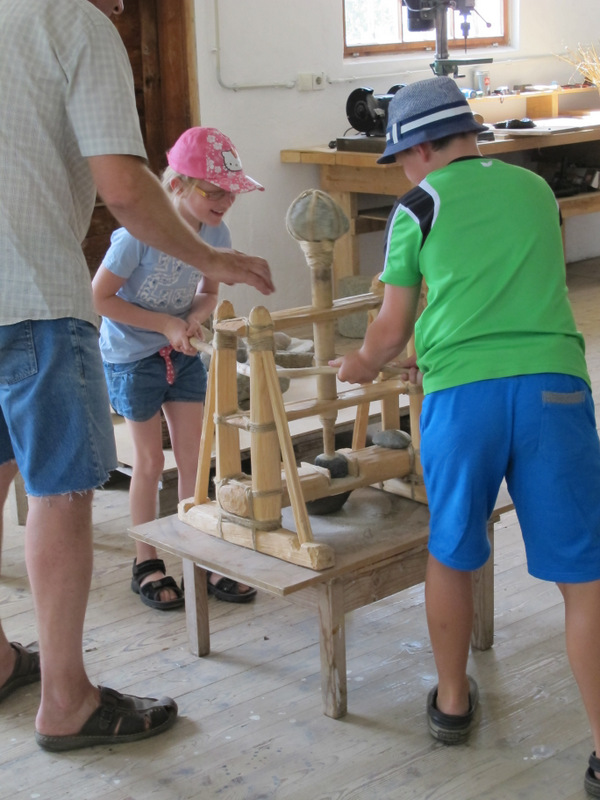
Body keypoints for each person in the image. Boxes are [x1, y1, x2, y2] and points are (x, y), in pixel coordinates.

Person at [0, 0, 273, 752]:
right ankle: (67, 701)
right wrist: (212, 259)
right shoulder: (73, 24)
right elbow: (123, 185)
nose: (121, 5)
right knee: (62, 490)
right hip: (33, 296)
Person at [331, 77, 600, 796]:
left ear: (420, 148)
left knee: (451, 550)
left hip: (462, 399)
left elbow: (391, 327)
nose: (403, 171)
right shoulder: (537, 189)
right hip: (554, 388)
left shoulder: (417, 206)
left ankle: (452, 703)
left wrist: (361, 363)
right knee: (584, 576)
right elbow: (511, 290)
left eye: (400, 158)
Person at [92, 127, 259, 609]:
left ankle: (199, 556)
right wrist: (165, 324)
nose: (225, 201)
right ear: (177, 186)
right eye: (214, 191)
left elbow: (209, 292)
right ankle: (146, 561)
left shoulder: (217, 234)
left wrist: (192, 320)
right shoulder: (136, 237)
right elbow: (100, 299)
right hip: (131, 357)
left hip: (182, 353)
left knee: (194, 459)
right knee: (149, 463)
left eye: (231, 191)